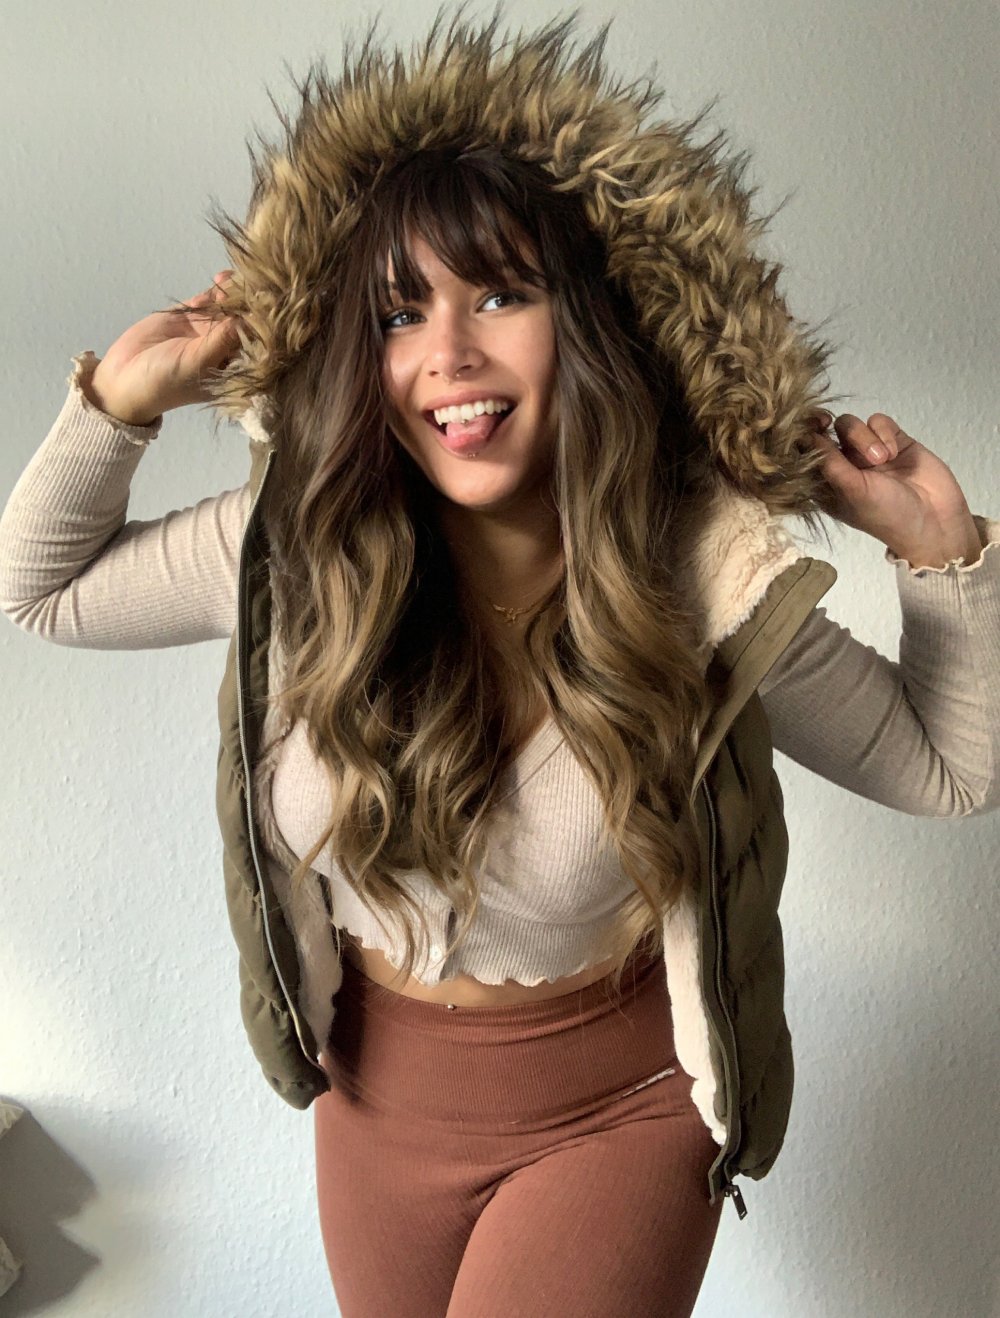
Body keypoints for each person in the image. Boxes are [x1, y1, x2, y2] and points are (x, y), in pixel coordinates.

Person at [1, 9, 998, 1316]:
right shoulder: (293, 547)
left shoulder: (701, 574)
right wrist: (120, 404)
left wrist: (942, 556)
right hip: (372, 1105)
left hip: (617, 1117)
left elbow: (947, 768)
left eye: (501, 293)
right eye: (399, 311)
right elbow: (43, 589)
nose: (450, 355)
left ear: (592, 320)